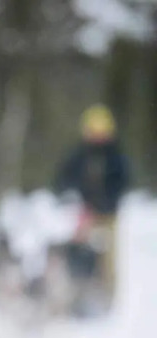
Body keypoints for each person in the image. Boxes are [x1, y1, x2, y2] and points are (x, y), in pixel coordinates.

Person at [55, 104, 130, 302]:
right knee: (77, 248)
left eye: (100, 132)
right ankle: (77, 290)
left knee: (107, 255)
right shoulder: (80, 154)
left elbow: (122, 182)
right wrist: (64, 192)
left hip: (108, 213)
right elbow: (64, 176)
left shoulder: (115, 156)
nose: (96, 136)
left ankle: (108, 295)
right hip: (86, 212)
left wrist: (107, 201)